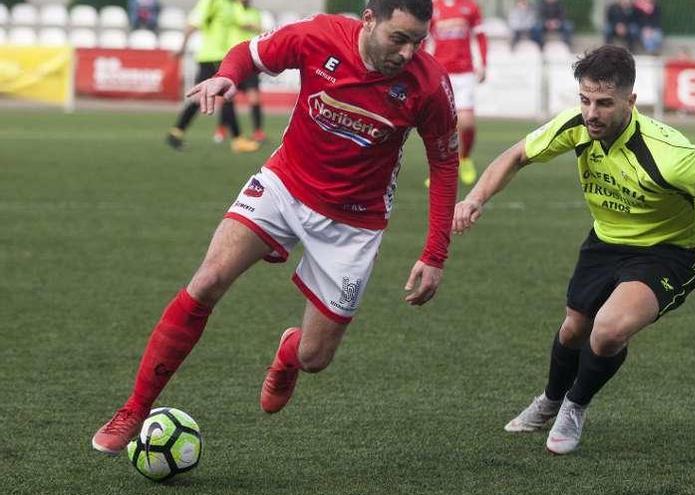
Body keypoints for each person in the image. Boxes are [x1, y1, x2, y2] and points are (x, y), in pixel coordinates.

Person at [91, 0, 459, 455]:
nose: (407, 53)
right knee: (206, 281)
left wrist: (435, 253)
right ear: (369, 20)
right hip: (284, 186)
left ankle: (289, 351)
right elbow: (252, 51)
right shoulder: (319, 36)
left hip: (354, 223)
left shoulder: (429, 85)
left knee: (314, 359)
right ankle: (135, 407)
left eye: (417, 42)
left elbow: (444, 161)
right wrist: (228, 74)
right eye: (398, 39)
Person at [453, 45, 695, 455]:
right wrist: (474, 199)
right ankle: (549, 401)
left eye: (605, 103)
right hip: (605, 241)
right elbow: (517, 154)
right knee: (574, 329)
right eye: (585, 99)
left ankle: (574, 405)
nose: (592, 112)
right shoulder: (577, 125)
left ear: (631, 101)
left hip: (669, 252)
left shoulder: (670, 156)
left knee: (608, 330)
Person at [165, 0, 260, 153]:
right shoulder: (212, 2)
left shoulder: (233, 5)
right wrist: (182, 47)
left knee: (200, 98)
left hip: (221, 57)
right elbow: (193, 23)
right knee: (226, 97)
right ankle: (237, 139)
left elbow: (244, 24)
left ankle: (176, 132)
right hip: (212, 57)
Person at [427, 0, 488, 187]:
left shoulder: (470, 6)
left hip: (464, 72)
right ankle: (439, 170)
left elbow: (481, 37)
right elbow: (422, 38)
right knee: (440, 126)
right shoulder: (432, 7)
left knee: (467, 123)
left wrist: (483, 63)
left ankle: (465, 158)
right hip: (440, 71)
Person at [214, 0, 267, 144]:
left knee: (254, 98)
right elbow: (243, 23)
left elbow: (260, 30)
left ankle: (257, 131)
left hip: (251, 60)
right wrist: (251, 26)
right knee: (228, 97)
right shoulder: (232, 7)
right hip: (234, 58)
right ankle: (222, 128)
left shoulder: (254, 12)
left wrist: (253, 26)